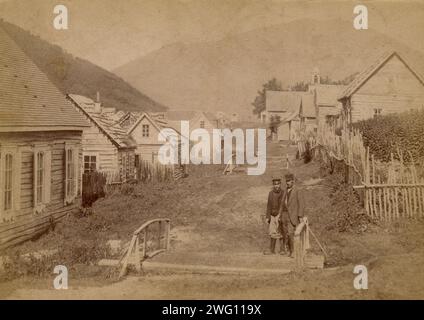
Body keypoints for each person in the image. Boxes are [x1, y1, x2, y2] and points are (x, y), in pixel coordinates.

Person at [280, 173, 307, 258]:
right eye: (286, 181)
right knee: (286, 234)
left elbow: (301, 204)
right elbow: (282, 203)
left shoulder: (297, 190)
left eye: (289, 181)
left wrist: (300, 216)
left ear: (293, 181)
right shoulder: (285, 191)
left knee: (291, 233)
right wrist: (279, 215)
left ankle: (294, 252)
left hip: (293, 215)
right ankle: (289, 250)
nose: (287, 183)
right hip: (284, 215)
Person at [264, 177, 285, 255]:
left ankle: (282, 249)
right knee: (272, 232)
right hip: (272, 215)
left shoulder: (283, 193)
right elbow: (268, 205)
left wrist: (281, 215)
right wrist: (267, 217)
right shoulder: (271, 193)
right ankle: (272, 250)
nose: (276, 186)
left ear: (280, 184)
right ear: (273, 185)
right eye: (275, 184)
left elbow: (284, 205)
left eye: (278, 184)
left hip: (280, 215)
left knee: (281, 232)